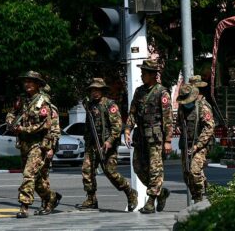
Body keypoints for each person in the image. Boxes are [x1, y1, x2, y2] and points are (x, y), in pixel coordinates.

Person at [75, 78, 138, 211]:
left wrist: (109, 141)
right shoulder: (90, 105)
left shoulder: (110, 105)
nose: (95, 92)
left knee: (110, 172)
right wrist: (87, 141)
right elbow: (88, 126)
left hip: (107, 145)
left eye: (98, 89)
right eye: (93, 90)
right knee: (87, 171)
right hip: (92, 145)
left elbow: (117, 126)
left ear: (103, 91)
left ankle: (130, 192)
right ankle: (91, 198)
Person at [6, 70, 61, 218]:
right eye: (25, 81)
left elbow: (45, 125)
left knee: (28, 174)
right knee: (36, 180)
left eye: (30, 81)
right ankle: (51, 197)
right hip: (24, 144)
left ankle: (24, 207)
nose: (27, 84)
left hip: (39, 144)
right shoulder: (23, 100)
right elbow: (11, 113)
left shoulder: (43, 102)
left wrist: (22, 129)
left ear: (38, 84)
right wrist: (11, 121)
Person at [124, 60, 173, 214]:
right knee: (138, 167)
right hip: (140, 137)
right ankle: (161, 192)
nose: (142, 75)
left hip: (156, 138)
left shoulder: (162, 92)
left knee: (155, 169)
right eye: (142, 72)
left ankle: (151, 201)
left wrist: (168, 140)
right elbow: (132, 113)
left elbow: (168, 118)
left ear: (153, 75)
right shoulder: (139, 92)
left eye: (145, 73)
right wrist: (127, 130)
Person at [176, 84, 215, 203]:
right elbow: (179, 121)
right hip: (186, 144)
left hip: (200, 145)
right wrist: (178, 127)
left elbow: (209, 127)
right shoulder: (182, 108)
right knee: (186, 174)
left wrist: (197, 145)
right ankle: (203, 190)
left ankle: (198, 198)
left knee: (195, 171)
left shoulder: (203, 107)